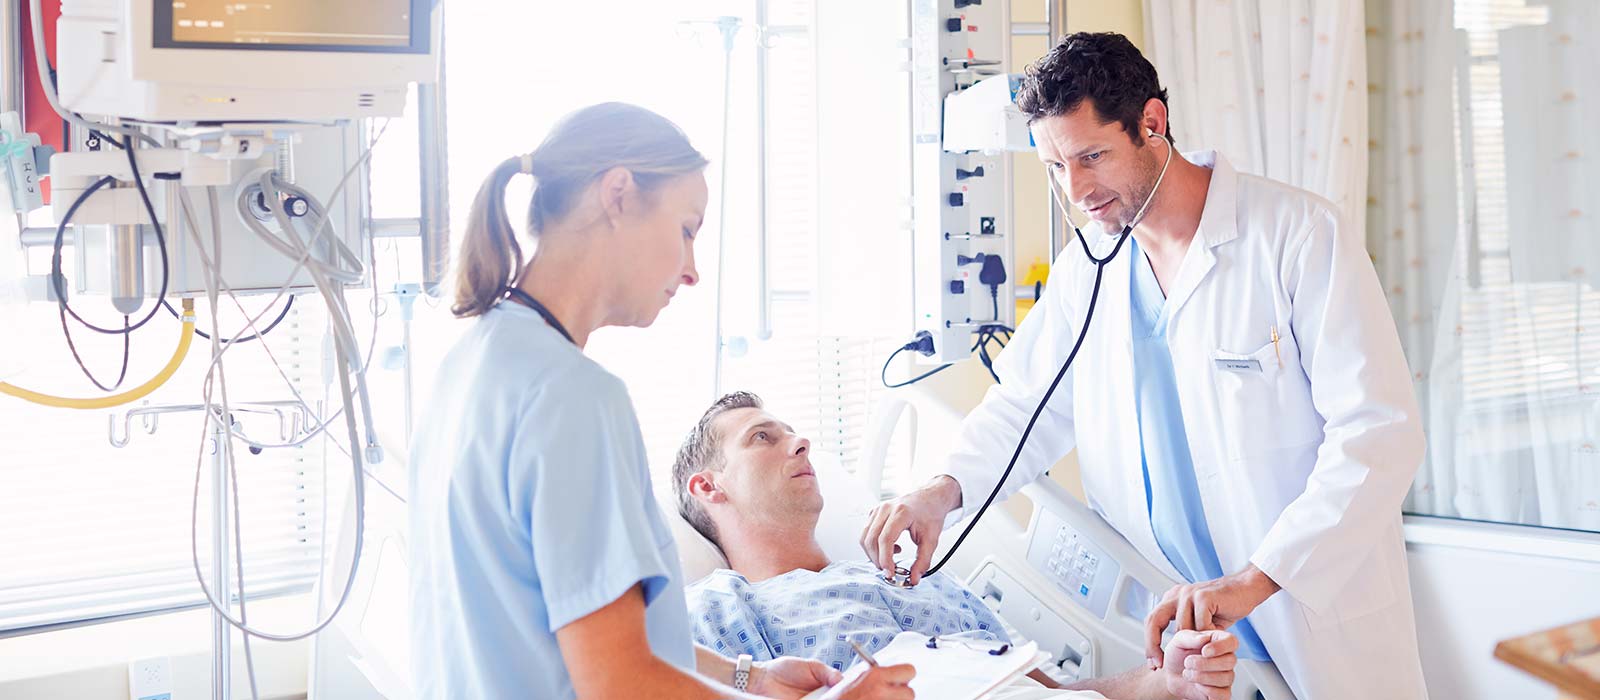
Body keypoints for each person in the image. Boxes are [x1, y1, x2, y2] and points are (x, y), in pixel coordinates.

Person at [861, 33, 1429, 700]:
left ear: (1152, 124)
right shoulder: (1087, 274)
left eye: (1091, 157)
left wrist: (1253, 580)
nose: (1075, 191)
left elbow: (1379, 434)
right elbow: (1023, 407)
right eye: (1054, 167)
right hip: (1182, 639)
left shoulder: (1298, 238)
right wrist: (941, 490)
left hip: (1303, 608)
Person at [408, 103, 912, 700]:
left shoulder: (469, 364)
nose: (693, 269)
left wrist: (748, 676)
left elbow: (594, 631)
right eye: (686, 230)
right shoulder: (572, 395)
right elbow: (618, 682)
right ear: (618, 194)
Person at [673, 391, 1242, 700]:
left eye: (789, 430)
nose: (800, 442)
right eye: (762, 438)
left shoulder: (919, 578)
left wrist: (1166, 681)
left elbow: (1047, 691)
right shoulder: (716, 613)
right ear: (709, 487)